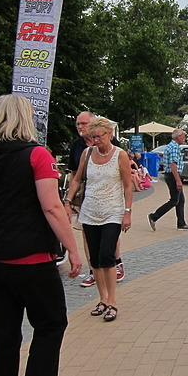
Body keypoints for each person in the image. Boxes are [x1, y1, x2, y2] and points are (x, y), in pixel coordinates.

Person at [0, 94, 83, 376]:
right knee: (50, 324)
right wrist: (73, 250)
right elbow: (51, 207)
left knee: (3, 334)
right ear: (26, 119)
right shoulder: (37, 155)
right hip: (30, 258)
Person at [64, 117, 133, 323]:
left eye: (99, 136)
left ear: (109, 134)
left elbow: (128, 185)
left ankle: (112, 301)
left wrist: (127, 212)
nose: (95, 141)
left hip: (112, 211)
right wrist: (68, 201)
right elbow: (76, 178)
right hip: (90, 211)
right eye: (92, 137)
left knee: (106, 256)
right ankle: (102, 298)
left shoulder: (120, 155)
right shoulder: (87, 153)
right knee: (94, 260)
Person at [68, 111, 125, 287]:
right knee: (89, 238)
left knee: (108, 242)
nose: (80, 127)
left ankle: (115, 262)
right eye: (78, 124)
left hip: (111, 203)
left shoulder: (114, 146)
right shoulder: (78, 147)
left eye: (83, 123)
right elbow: (74, 174)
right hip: (87, 199)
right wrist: (70, 199)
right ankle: (94, 271)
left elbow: (126, 179)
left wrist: (127, 210)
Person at [148, 129, 188, 230]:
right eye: (183, 136)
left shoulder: (172, 146)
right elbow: (173, 164)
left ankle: (181, 222)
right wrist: (178, 180)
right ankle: (154, 216)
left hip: (171, 175)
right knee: (174, 200)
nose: (184, 139)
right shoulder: (174, 147)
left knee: (180, 200)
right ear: (178, 137)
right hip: (173, 175)